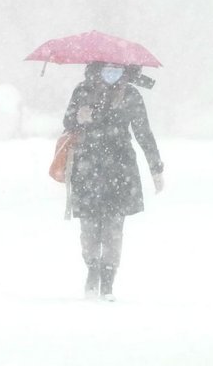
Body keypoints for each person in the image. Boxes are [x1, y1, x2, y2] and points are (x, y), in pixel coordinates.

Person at [63, 62, 164, 300]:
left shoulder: (131, 94)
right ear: (97, 69)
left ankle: (107, 281)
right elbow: (67, 123)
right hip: (87, 167)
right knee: (88, 226)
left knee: (113, 228)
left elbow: (143, 132)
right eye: (107, 68)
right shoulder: (82, 91)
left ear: (125, 71)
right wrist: (79, 117)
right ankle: (92, 270)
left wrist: (155, 167)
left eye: (117, 69)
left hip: (120, 169)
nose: (111, 73)